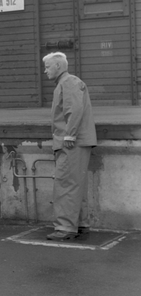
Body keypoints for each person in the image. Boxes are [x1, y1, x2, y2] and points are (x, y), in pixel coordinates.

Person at [42, 52, 97, 241]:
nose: (45, 71)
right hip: (77, 141)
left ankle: (65, 227)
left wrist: (70, 134)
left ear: (58, 66)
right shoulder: (69, 83)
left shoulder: (68, 83)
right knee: (75, 184)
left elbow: (74, 110)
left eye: (48, 67)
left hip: (71, 142)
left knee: (65, 184)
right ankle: (79, 224)